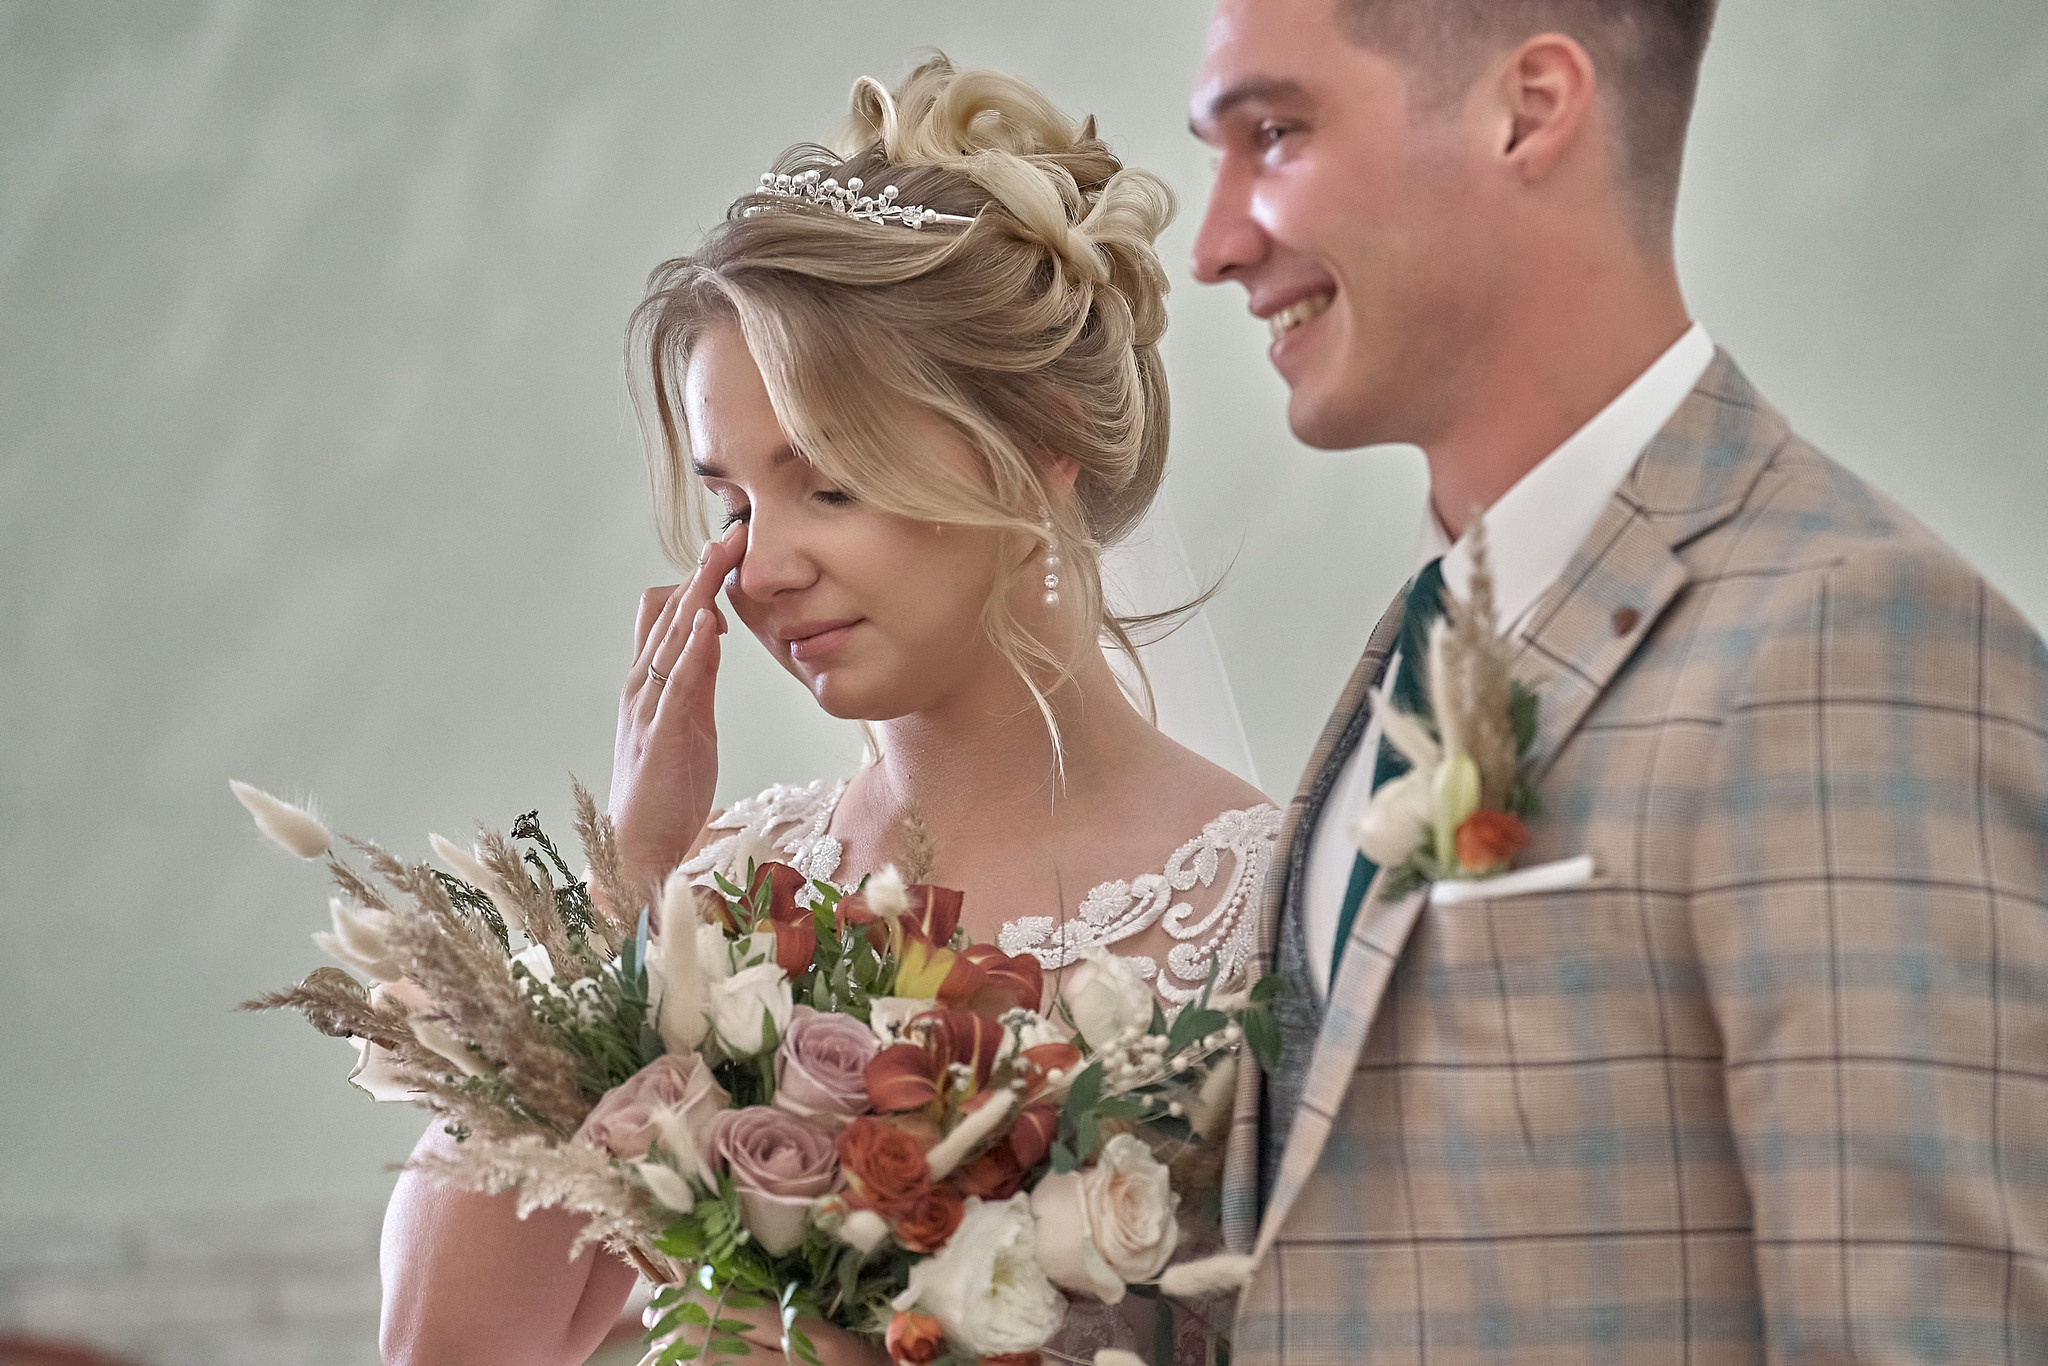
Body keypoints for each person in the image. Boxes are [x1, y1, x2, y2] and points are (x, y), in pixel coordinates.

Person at [379, 57, 1277, 1366]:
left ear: (1037, 451)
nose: (760, 562)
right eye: (733, 501)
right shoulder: (715, 907)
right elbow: (441, 1348)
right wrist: (633, 880)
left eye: (829, 482)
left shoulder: (1264, 915)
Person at [1189, 0, 2048, 1361]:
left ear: (1529, 109)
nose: (1213, 243)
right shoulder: (1413, 644)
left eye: (1276, 135)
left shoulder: (1845, 641)